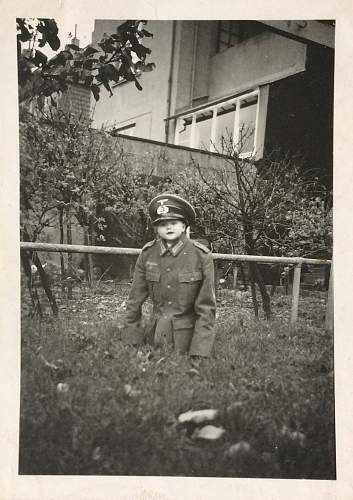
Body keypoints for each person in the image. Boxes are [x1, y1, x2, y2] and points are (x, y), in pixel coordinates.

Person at [123, 193, 216, 358]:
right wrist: (132, 343)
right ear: (157, 229)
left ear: (184, 227)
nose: (169, 227)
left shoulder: (201, 256)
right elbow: (134, 301)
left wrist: (199, 353)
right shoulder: (147, 253)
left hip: (186, 341)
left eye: (174, 222)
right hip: (153, 338)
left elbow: (206, 309)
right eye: (163, 224)